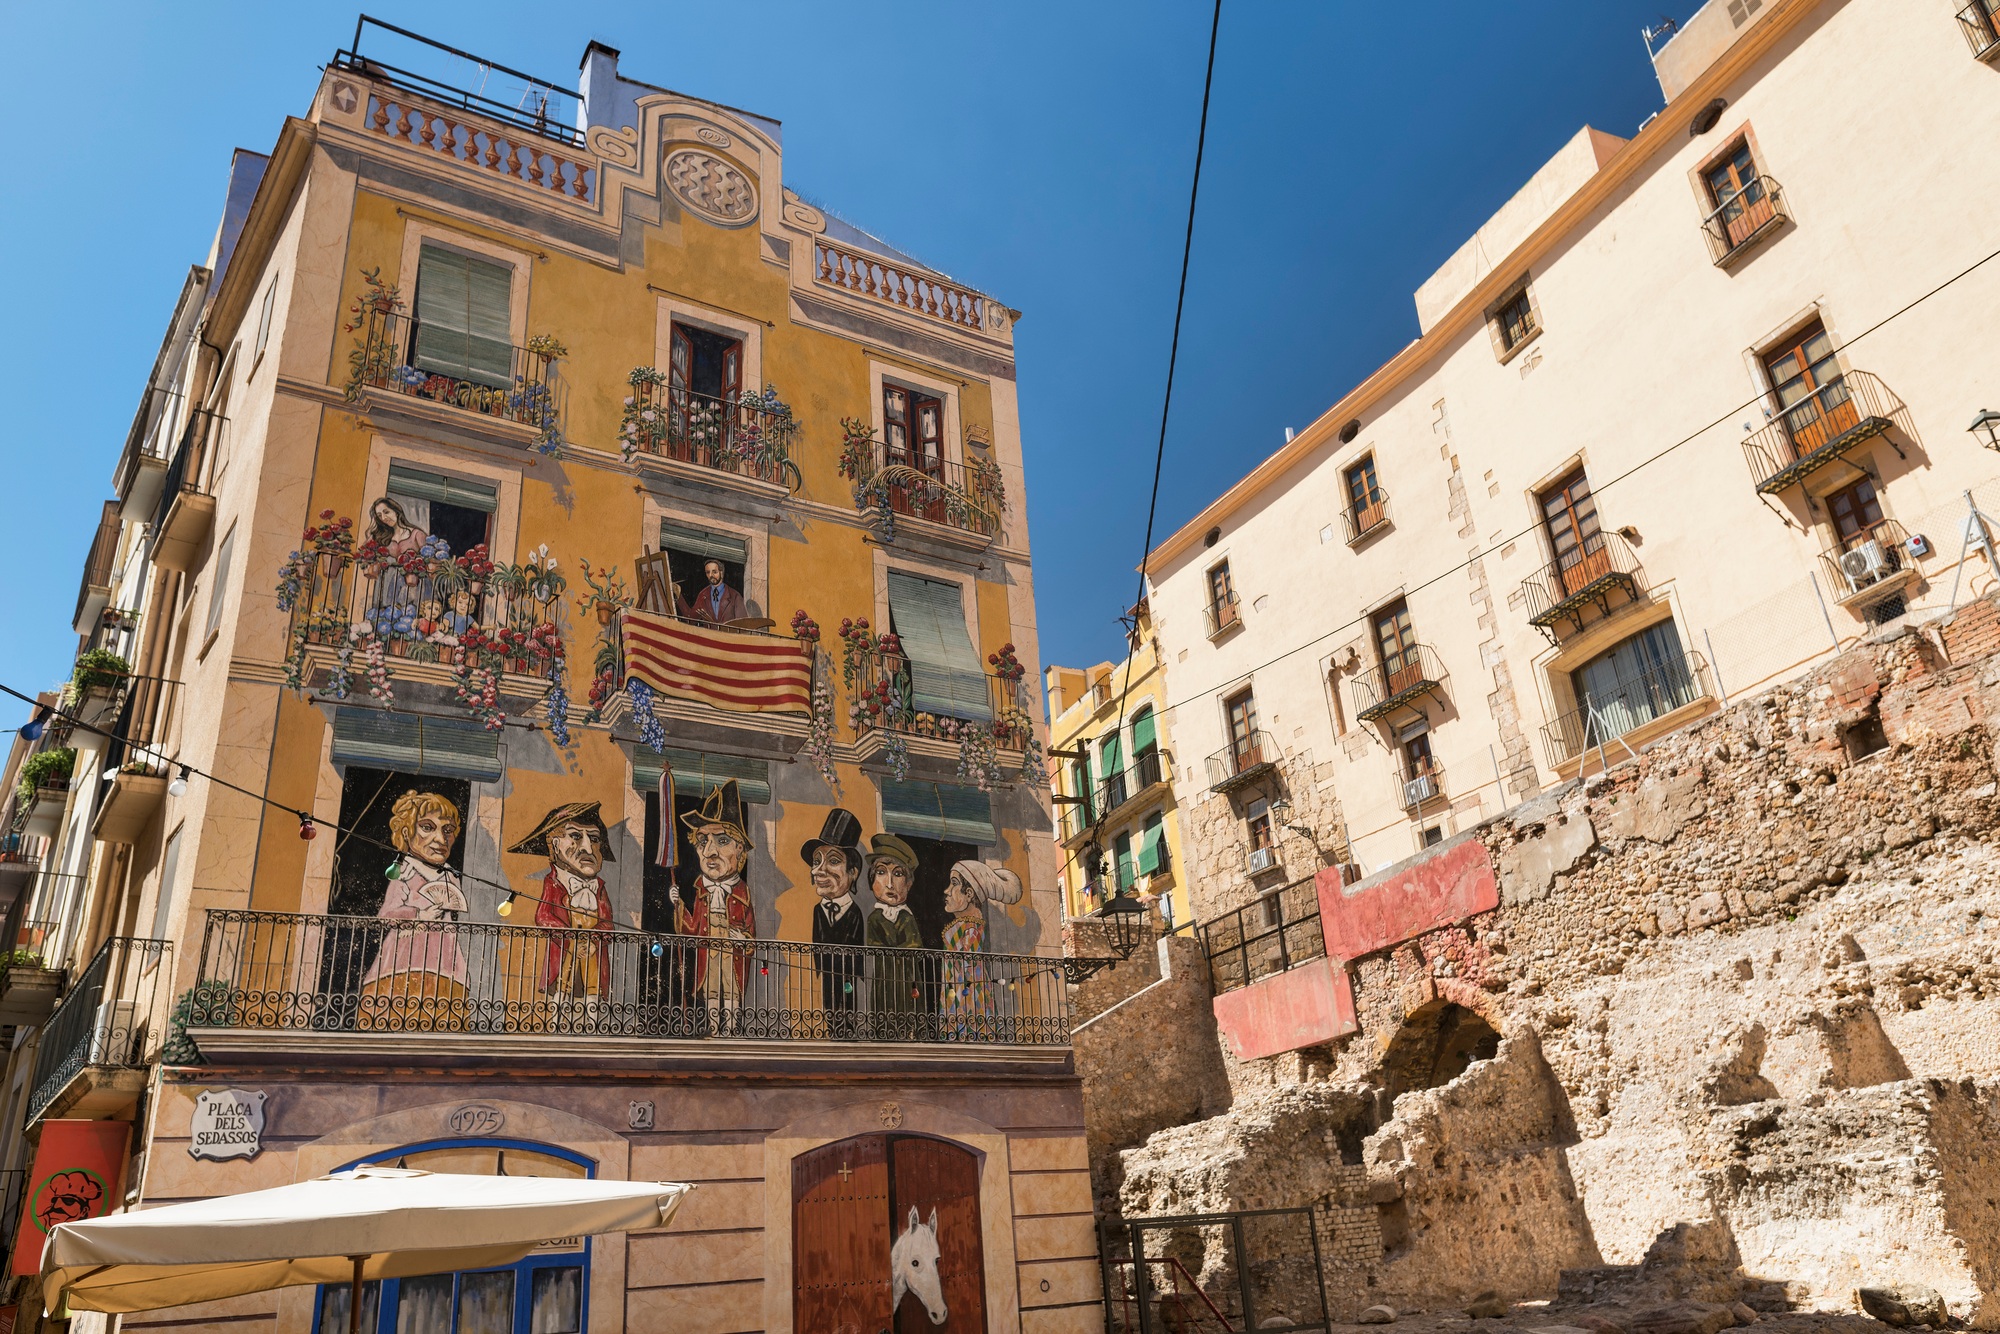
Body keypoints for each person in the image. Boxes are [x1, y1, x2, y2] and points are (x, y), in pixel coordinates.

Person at [358, 791, 469, 1029]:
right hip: (404, 960)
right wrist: (420, 915)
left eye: (448, 830)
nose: (441, 838)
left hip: (447, 960)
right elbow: (387, 913)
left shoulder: (450, 875)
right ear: (407, 832)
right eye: (428, 827)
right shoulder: (404, 870)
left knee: (444, 1019)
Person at [509, 801, 615, 1024]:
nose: (588, 848)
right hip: (567, 947)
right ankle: (557, 1021)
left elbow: (607, 923)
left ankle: (591, 1023)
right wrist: (570, 937)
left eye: (594, 839)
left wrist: (594, 940)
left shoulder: (600, 888)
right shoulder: (554, 883)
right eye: (576, 836)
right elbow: (543, 916)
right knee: (563, 983)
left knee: (591, 984)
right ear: (555, 845)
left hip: (592, 949)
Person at [679, 780, 756, 1032]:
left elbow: (751, 934)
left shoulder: (743, 893)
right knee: (711, 988)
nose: (709, 851)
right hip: (709, 951)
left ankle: (731, 1028)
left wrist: (742, 938)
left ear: (740, 849)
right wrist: (678, 906)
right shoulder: (701, 891)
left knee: (731, 989)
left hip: (731, 953)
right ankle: (713, 1027)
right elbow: (690, 928)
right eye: (703, 841)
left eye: (721, 841)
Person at [939, 860, 1022, 1041]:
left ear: (969, 894)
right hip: (956, 990)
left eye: (953, 884)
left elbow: (968, 961)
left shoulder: (971, 927)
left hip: (966, 992)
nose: (946, 891)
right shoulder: (965, 925)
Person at [803, 809, 866, 1037]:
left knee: (847, 1002)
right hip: (829, 972)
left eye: (833, 861)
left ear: (853, 873)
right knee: (829, 1003)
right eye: (816, 861)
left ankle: (847, 1032)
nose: (818, 870)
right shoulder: (818, 909)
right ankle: (833, 1030)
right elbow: (817, 939)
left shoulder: (854, 911)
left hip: (847, 973)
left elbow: (857, 943)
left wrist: (853, 969)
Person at [865, 833, 927, 1039]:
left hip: (908, 976)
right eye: (881, 872)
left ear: (908, 884)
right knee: (884, 1005)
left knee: (909, 1005)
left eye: (898, 874)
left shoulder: (907, 917)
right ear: (872, 880)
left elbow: (914, 946)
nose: (890, 884)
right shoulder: (874, 917)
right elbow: (873, 944)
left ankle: (912, 1032)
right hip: (885, 975)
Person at [678, 558, 747, 625]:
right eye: (708, 572)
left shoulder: (735, 596)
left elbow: (742, 625)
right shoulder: (703, 595)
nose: (711, 575)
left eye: (714, 572)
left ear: (721, 573)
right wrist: (678, 595)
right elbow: (691, 619)